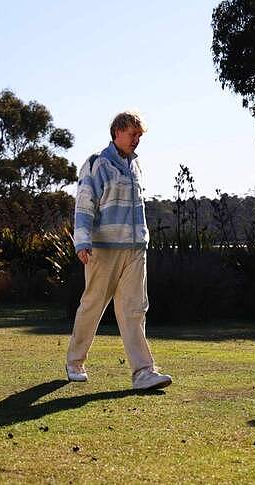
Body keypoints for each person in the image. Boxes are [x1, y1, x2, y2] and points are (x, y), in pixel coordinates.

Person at [65, 111, 172, 390]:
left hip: (136, 249)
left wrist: (143, 240)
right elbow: (85, 204)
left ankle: (143, 372)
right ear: (117, 133)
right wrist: (82, 241)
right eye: (132, 134)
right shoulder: (97, 164)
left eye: (139, 135)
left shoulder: (136, 167)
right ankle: (75, 361)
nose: (137, 140)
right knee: (93, 305)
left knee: (135, 309)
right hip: (103, 249)